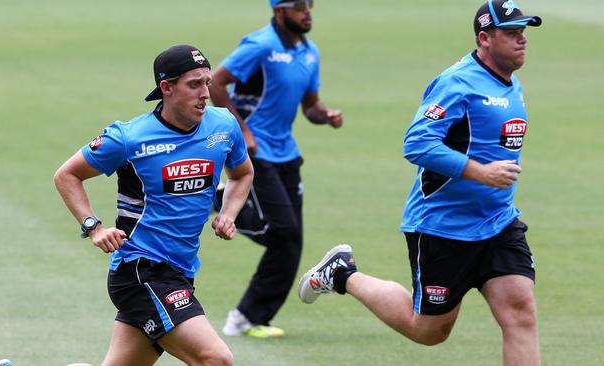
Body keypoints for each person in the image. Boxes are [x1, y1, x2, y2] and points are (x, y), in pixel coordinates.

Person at [297, 1, 542, 365]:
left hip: (497, 223)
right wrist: (479, 172)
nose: (522, 40)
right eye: (511, 33)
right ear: (484, 38)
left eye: (523, 32)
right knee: (429, 331)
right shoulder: (457, 83)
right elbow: (417, 143)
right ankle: (342, 273)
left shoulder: (511, 83)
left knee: (521, 314)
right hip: (444, 228)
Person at [53, 44, 254, 366]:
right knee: (216, 359)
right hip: (141, 271)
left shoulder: (223, 126)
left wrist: (228, 214)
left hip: (180, 270)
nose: (205, 93)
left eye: (207, 82)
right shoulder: (130, 138)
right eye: (194, 84)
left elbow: (242, 174)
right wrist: (93, 227)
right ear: (166, 87)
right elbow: (67, 175)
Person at [208, 0, 343, 338]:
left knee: (290, 241)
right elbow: (214, 83)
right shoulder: (260, 45)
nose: (307, 11)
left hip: (286, 153)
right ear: (279, 11)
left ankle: (247, 318)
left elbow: (309, 106)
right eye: (299, 5)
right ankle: (223, 200)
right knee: (283, 232)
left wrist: (325, 115)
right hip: (255, 153)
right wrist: (243, 130)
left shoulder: (310, 52)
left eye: (310, 4)